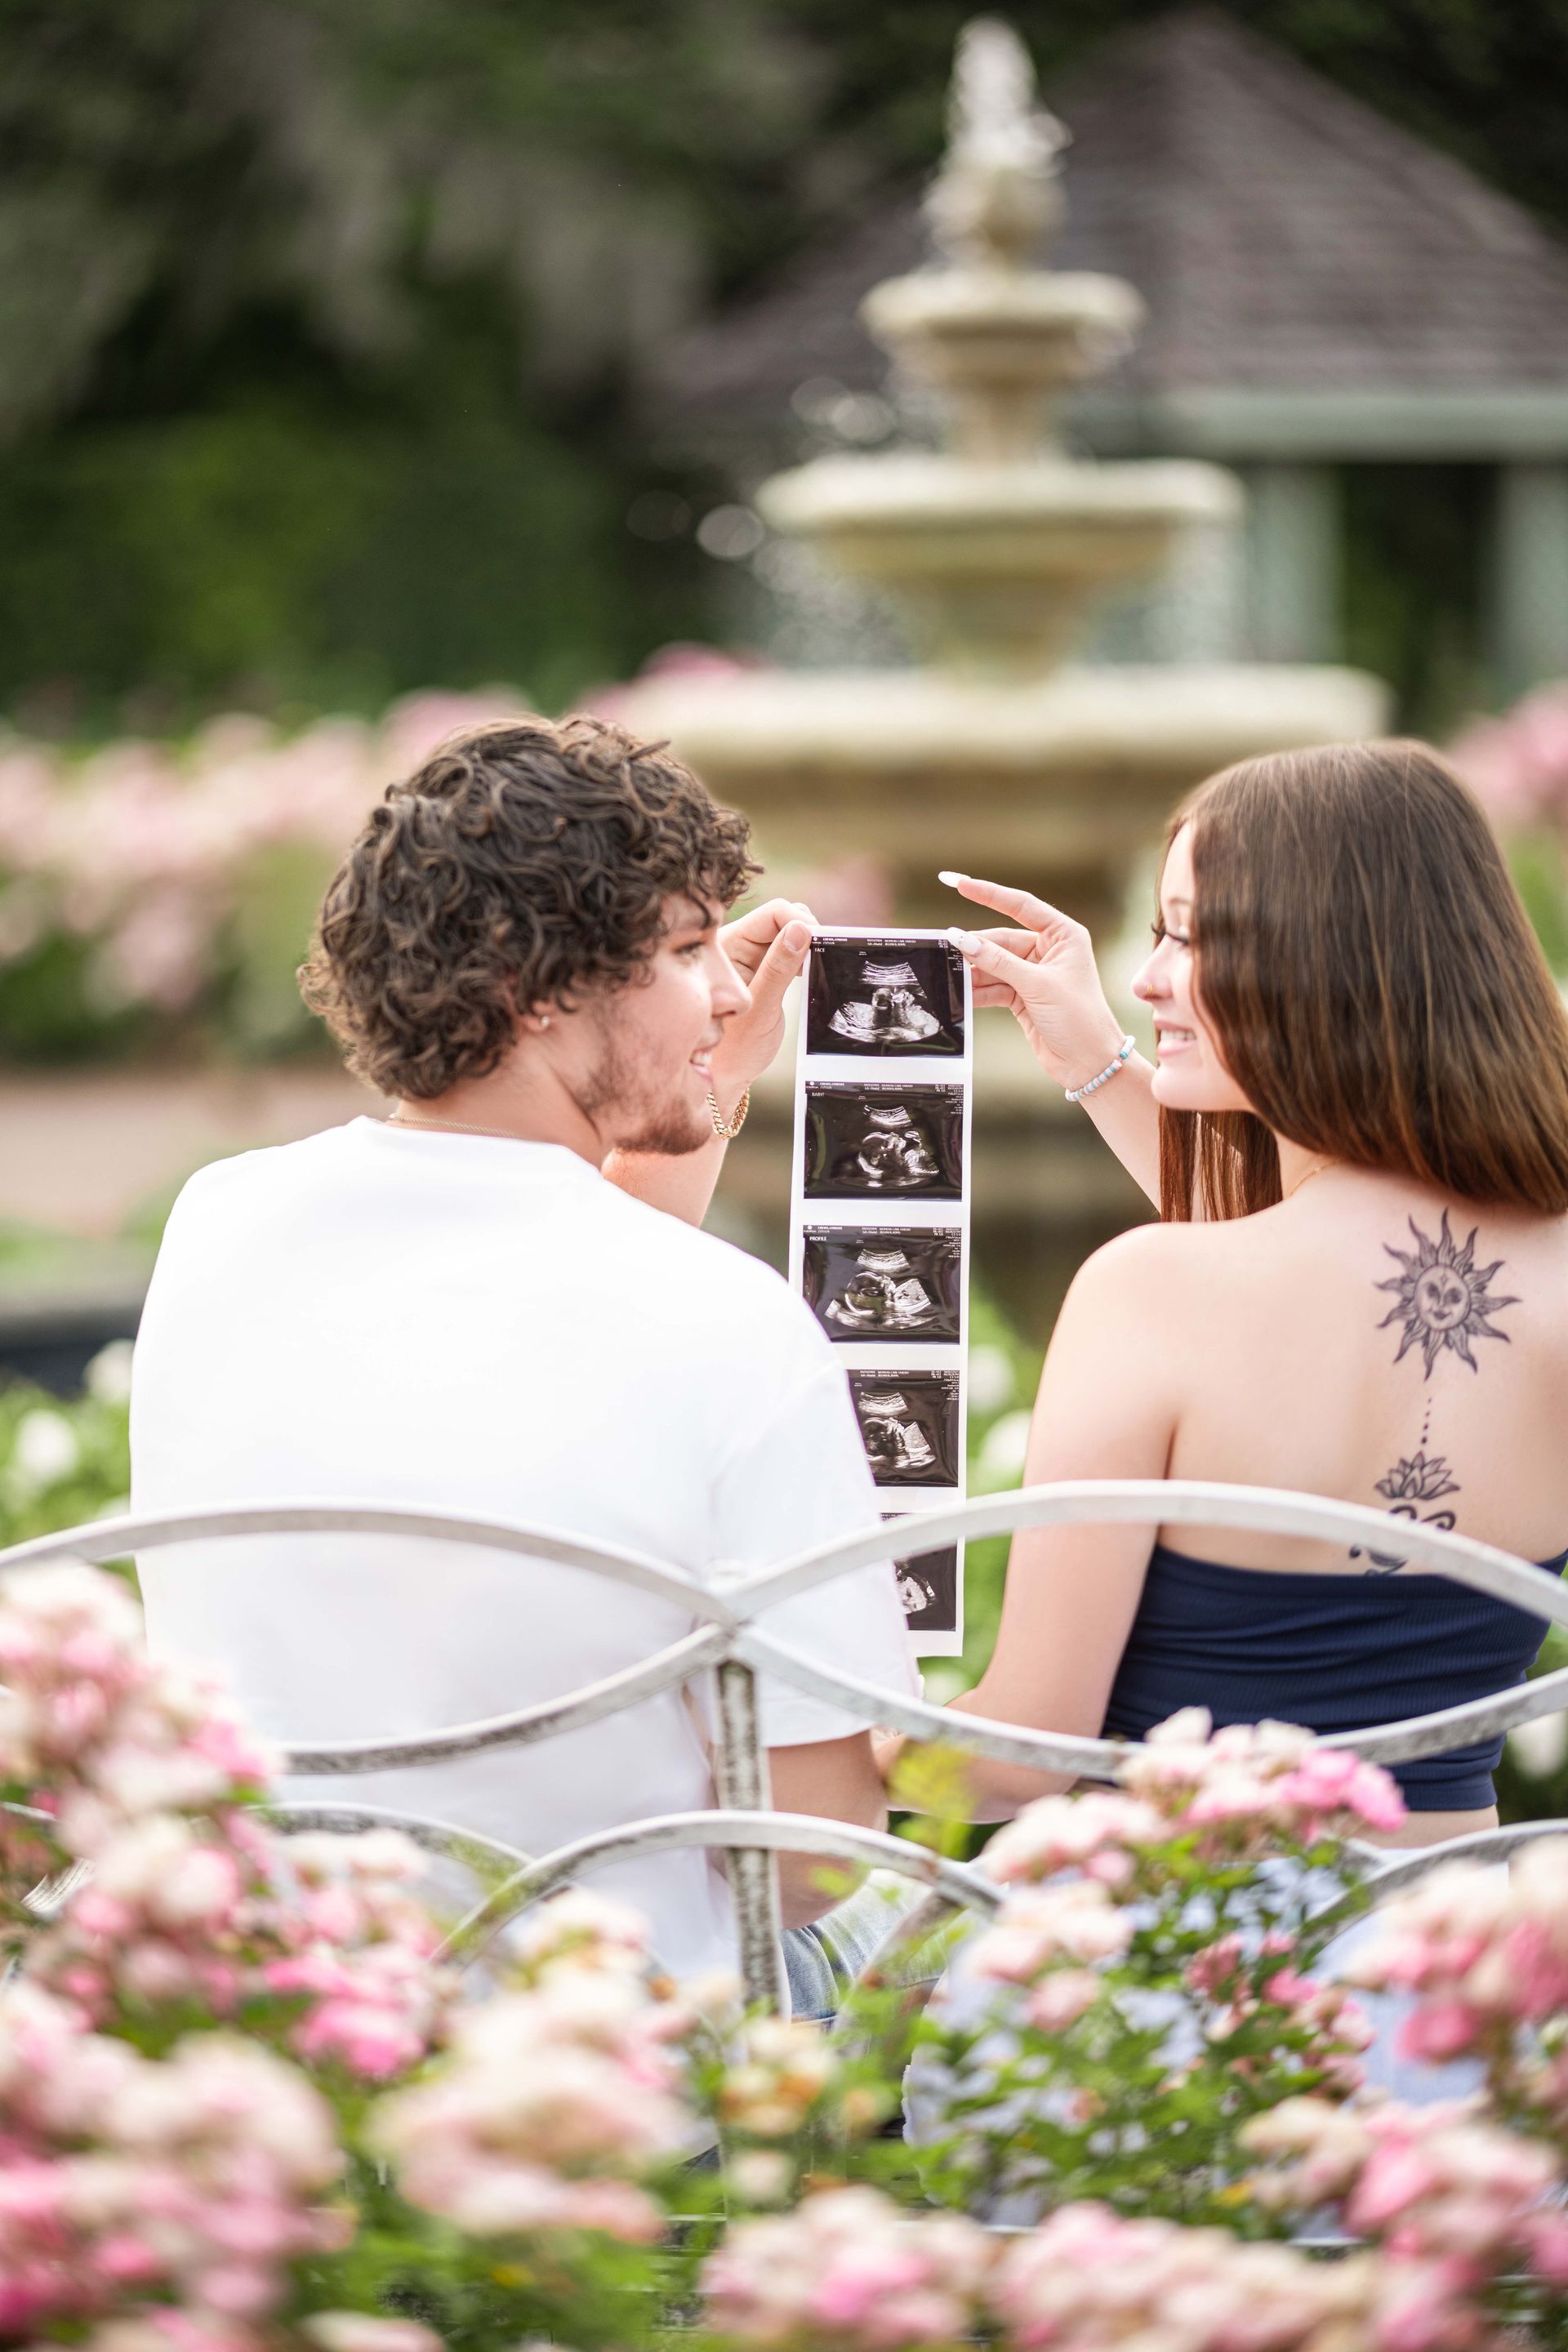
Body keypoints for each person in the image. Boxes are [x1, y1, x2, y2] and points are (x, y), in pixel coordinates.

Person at [131, 713, 916, 2004]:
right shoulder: (732, 1323)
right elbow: (815, 1865)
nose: (726, 989)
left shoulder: (219, 1218)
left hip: (287, 1991)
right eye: (681, 950)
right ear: (536, 987)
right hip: (612, 2040)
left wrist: (701, 1082)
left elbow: (544, 1301)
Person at [885, 742, 1568, 1851]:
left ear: (1317, 960)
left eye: (1188, 936)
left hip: (1188, 1976)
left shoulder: (1151, 1292)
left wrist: (788, 1748)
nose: (1147, 977)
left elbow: (1019, 1755)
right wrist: (1099, 1058)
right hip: (1454, 1974)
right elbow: (1305, 1252)